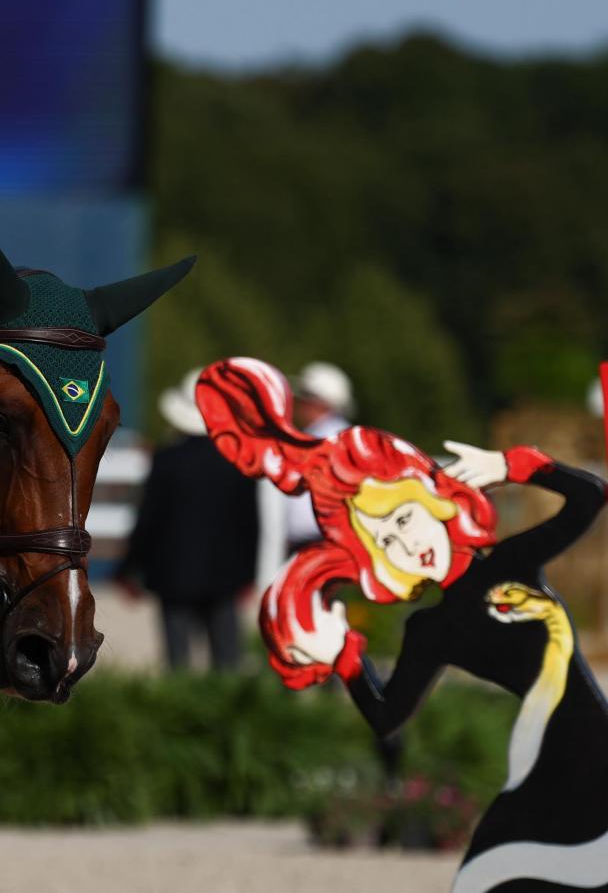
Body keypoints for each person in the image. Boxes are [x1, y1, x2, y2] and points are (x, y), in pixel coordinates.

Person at [200, 357, 608, 889]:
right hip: (538, 769)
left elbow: (591, 497)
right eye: (384, 541)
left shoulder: (512, 562)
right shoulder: (430, 630)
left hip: (591, 750)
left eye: (402, 519)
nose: (405, 543)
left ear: (433, 501)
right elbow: (388, 717)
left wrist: (512, 465)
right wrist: (344, 656)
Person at [119, 369, 259, 671]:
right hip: (225, 576)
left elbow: (148, 520)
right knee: (227, 662)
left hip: (173, 576)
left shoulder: (167, 459)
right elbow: (250, 525)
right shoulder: (237, 461)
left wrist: (128, 568)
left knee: (178, 663)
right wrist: (248, 574)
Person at [258, 360, 355, 567]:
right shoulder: (338, 436)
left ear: (316, 402)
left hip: (318, 540)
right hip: (324, 538)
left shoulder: (325, 439)